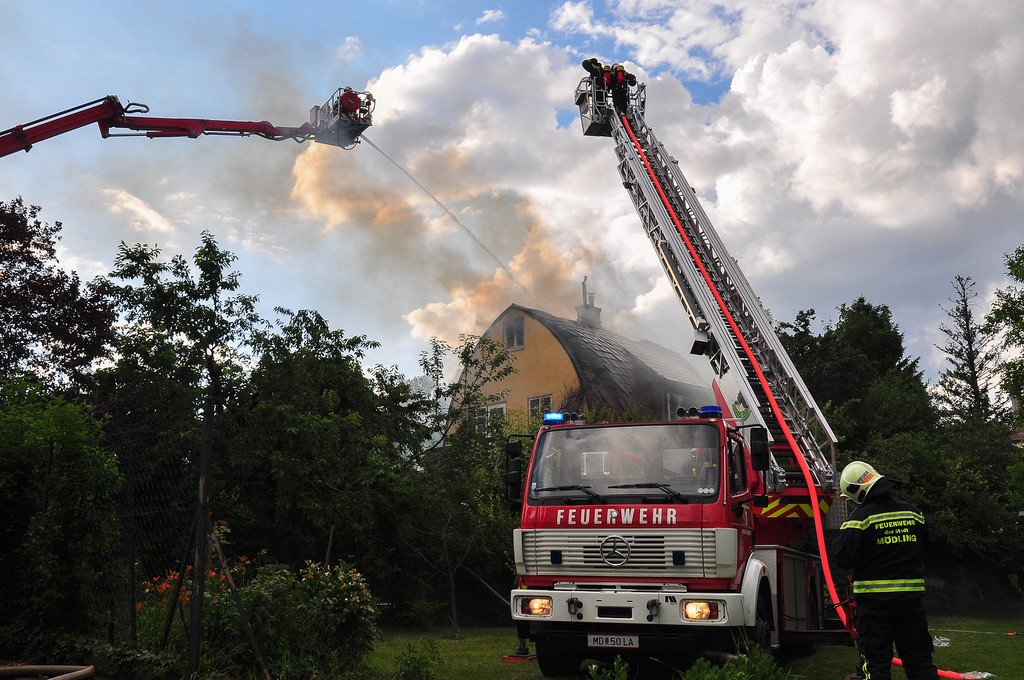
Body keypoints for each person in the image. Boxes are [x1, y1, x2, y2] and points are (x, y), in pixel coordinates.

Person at [833, 461, 939, 680]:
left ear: (856, 491)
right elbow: (925, 550)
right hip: (911, 604)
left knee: (876, 666)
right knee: (920, 662)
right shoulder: (913, 513)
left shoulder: (859, 520)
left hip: (875, 607)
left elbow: (843, 559)